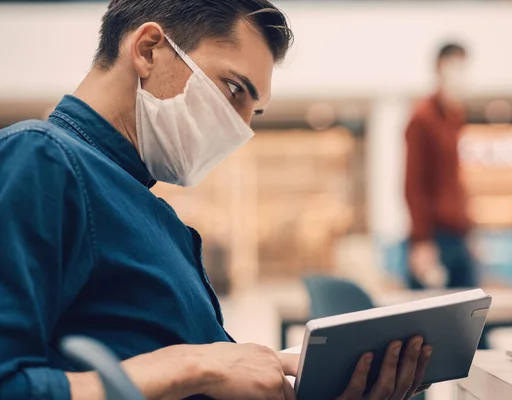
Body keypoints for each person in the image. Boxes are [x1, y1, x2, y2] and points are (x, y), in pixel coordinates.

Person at [0, 1, 432, 399]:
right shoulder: (41, 159)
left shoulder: (145, 206)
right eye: (233, 89)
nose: (242, 126)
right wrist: (191, 364)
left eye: (254, 110)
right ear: (149, 50)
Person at [404, 43, 478, 290]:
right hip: (436, 238)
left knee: (472, 317)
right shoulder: (423, 118)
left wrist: (470, 229)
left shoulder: (455, 118)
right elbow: (413, 185)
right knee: (430, 322)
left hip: (458, 236)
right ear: (439, 68)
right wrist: (421, 241)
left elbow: (455, 182)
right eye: (454, 66)